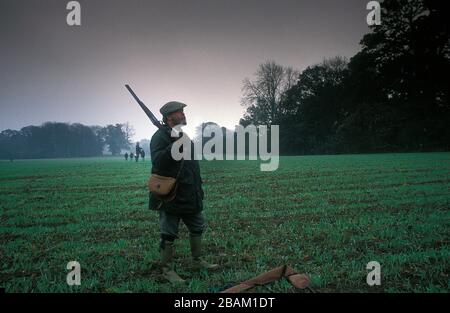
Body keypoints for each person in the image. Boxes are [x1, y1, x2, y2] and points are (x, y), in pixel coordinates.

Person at [149, 101, 218, 284]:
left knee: (197, 226)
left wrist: (198, 190)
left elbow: (191, 166)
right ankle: (166, 270)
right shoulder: (159, 137)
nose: (183, 114)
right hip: (170, 194)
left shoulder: (182, 135)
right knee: (168, 233)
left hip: (189, 193)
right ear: (170, 117)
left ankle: (197, 261)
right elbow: (158, 162)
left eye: (183, 111)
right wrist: (175, 146)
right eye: (180, 112)